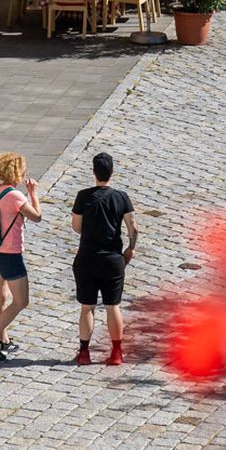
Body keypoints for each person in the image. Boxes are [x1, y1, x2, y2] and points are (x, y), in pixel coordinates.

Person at [69, 151, 138, 365]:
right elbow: (132, 227)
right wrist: (130, 249)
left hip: (87, 257)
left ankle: (84, 352)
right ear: (112, 172)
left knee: (87, 306)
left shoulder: (83, 196)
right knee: (113, 306)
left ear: (93, 173)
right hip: (113, 259)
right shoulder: (121, 197)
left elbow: (76, 227)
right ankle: (116, 352)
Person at [0, 152, 43, 359]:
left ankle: (2, 340)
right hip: (10, 255)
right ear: (16, 172)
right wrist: (32, 192)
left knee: (1, 296)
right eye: (24, 169)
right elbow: (37, 217)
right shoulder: (16, 196)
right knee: (21, 301)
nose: (26, 172)